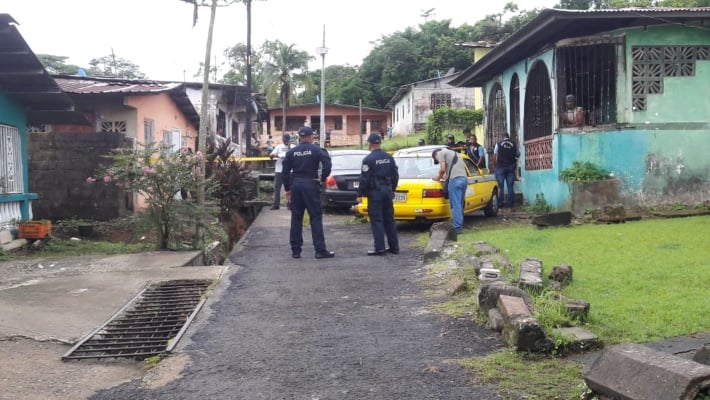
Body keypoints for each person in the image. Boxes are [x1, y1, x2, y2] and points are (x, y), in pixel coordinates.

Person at [282, 126, 335, 259]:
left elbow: (285, 172)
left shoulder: (291, 152)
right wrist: (322, 179)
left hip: (296, 186)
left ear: (299, 137)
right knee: (315, 217)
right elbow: (327, 165)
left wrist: (288, 189)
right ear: (311, 136)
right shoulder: (317, 150)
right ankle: (320, 250)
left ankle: (295, 251)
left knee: (296, 218)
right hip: (311, 185)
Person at [357, 133, 400, 256]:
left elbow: (364, 179)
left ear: (370, 144)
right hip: (387, 190)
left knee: (377, 220)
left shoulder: (368, 160)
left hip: (375, 192)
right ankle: (394, 247)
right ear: (379, 143)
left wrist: (360, 194)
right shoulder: (389, 157)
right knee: (389, 219)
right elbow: (395, 175)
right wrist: (392, 189)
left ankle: (380, 248)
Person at [432, 147, 468, 234]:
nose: (438, 160)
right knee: (459, 204)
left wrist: (438, 177)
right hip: (464, 179)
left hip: (455, 180)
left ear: (435, 155)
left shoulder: (440, 153)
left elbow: (442, 169)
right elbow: (453, 167)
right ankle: (459, 225)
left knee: (455, 206)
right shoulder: (455, 153)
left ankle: (457, 228)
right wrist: (446, 176)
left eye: (436, 160)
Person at [491, 132, 520, 212]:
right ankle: (511, 207)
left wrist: (494, 166)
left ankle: (500, 206)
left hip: (500, 167)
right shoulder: (514, 144)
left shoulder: (499, 144)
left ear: (502, 137)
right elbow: (518, 154)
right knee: (510, 186)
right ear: (508, 137)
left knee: (500, 187)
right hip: (511, 167)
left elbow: (495, 155)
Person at [269, 133, 293, 210]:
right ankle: (276, 205)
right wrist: (276, 155)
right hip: (279, 170)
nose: (285, 141)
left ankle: (290, 204)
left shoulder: (293, 147)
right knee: (277, 188)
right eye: (284, 140)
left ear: (289, 140)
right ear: (282, 139)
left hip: (290, 171)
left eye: (287, 140)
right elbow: (270, 156)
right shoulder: (279, 147)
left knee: (290, 188)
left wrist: (289, 148)